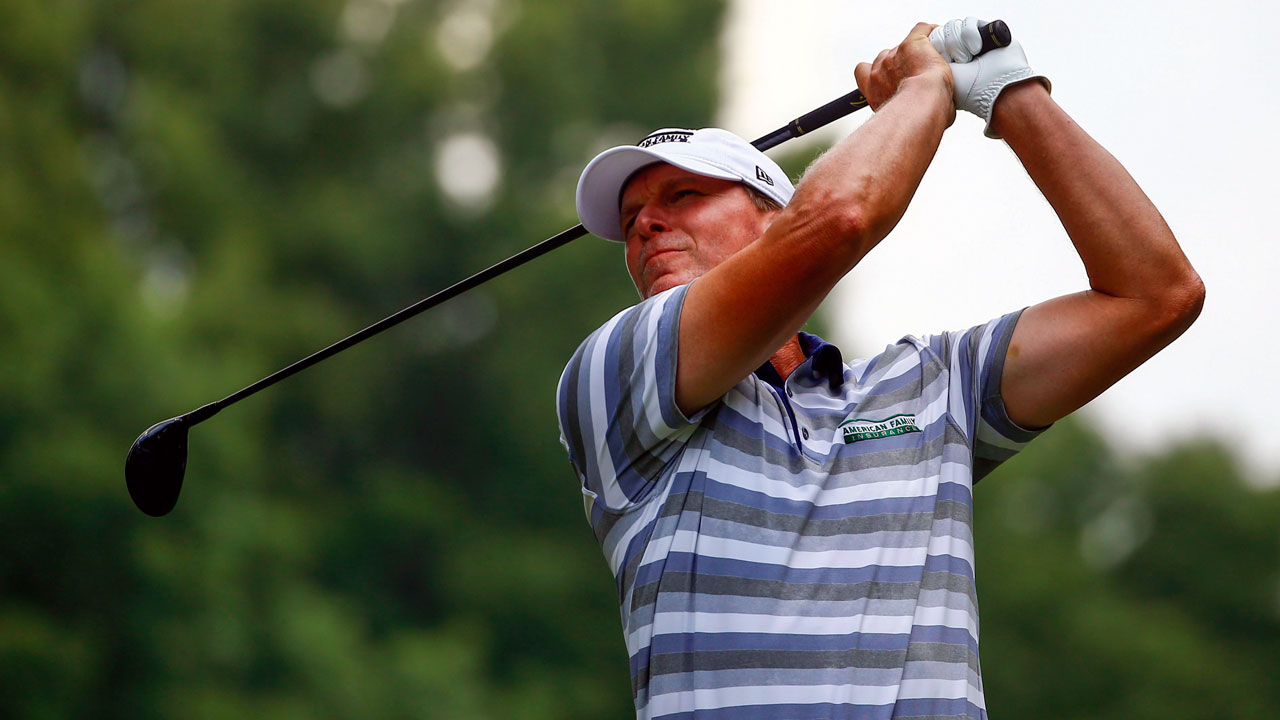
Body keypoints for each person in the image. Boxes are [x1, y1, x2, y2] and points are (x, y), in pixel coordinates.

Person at [555, 18, 1203, 720]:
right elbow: (839, 219)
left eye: (682, 197)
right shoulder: (616, 370)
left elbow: (1157, 295)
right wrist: (923, 93)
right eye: (632, 215)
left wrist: (1013, 95)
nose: (645, 224)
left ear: (774, 219)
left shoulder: (930, 387)